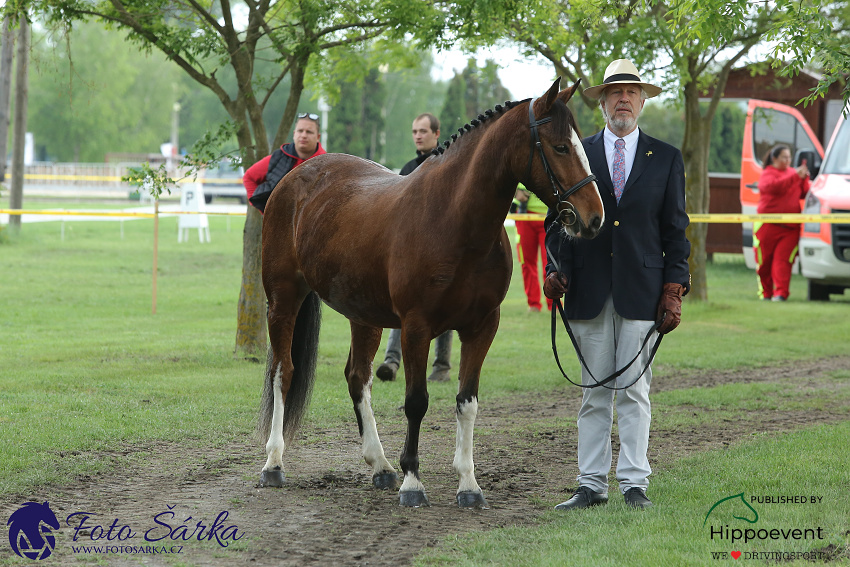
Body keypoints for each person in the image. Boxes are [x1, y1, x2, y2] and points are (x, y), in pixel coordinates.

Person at [543, 59, 691, 510]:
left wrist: (674, 288)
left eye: (631, 92)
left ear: (642, 101)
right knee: (594, 393)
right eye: (614, 92)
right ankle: (590, 484)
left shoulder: (665, 158)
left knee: (633, 390)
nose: (623, 99)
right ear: (602, 103)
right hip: (588, 288)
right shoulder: (577, 151)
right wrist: (557, 267)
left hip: (642, 291)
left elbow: (675, 230)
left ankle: (633, 484)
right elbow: (558, 220)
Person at [375, 113, 454, 383]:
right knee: (404, 308)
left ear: (436, 133)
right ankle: (391, 361)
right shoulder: (408, 167)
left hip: (443, 251)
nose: (418, 135)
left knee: (444, 307)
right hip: (411, 254)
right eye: (414, 131)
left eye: (423, 131)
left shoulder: (448, 163)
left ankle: (441, 366)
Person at [754, 144, 810, 301]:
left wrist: (804, 178)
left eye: (789, 157)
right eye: (784, 157)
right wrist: (795, 177)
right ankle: (766, 293)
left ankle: (781, 293)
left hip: (790, 227)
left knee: (783, 261)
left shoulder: (794, 173)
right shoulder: (767, 174)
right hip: (767, 225)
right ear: (775, 159)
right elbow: (772, 187)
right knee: (764, 262)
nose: (788, 160)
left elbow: (805, 192)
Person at [243, 112, 327, 213]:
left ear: (318, 137)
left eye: (309, 132)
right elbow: (249, 177)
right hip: (279, 223)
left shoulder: (328, 164)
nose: (304, 135)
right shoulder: (278, 158)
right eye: (300, 131)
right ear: (294, 134)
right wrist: (265, 210)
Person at [514, 183, 552, 312]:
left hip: (549, 216)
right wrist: (517, 190)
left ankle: (554, 303)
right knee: (526, 261)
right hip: (524, 216)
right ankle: (533, 304)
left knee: (550, 263)